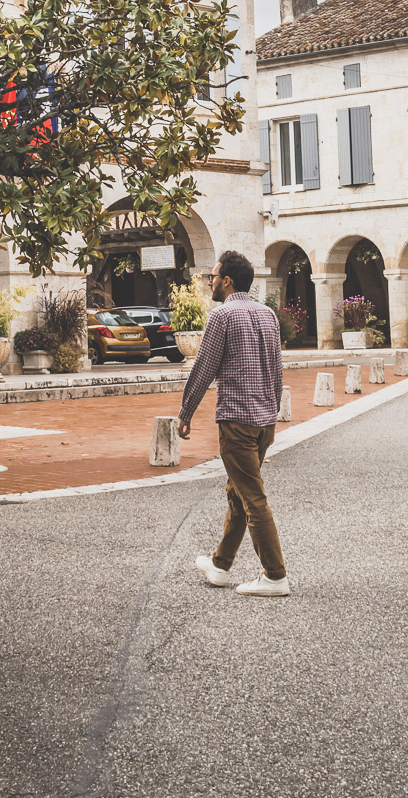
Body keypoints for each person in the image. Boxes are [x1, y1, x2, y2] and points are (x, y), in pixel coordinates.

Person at [177, 249, 290, 597]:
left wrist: (186, 412)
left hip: (237, 421)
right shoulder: (268, 314)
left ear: (226, 281)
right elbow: (277, 369)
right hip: (263, 422)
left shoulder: (221, 316)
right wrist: (271, 415)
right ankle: (221, 565)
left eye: (212, 276)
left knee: (253, 497)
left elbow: (204, 368)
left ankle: (275, 575)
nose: (209, 281)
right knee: (237, 492)